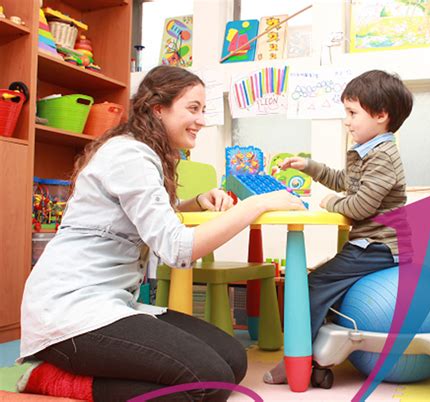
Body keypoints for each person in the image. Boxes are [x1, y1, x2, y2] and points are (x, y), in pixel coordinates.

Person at [17, 65, 305, 402]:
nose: (201, 120)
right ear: (158, 109)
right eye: (193, 109)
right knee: (209, 383)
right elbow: (177, 250)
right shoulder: (129, 155)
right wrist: (254, 205)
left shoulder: (143, 152)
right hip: (70, 312)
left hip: (111, 302)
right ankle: (50, 379)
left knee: (232, 359)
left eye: (203, 110)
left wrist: (194, 202)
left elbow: (139, 216)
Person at [264, 69, 413, 384]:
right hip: (372, 244)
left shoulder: (383, 157)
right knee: (322, 278)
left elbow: (360, 205)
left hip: (380, 247)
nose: (346, 120)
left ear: (381, 115)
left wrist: (328, 202)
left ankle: (296, 358)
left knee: (313, 283)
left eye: (352, 113)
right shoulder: (369, 153)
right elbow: (348, 183)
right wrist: (311, 168)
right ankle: (318, 351)